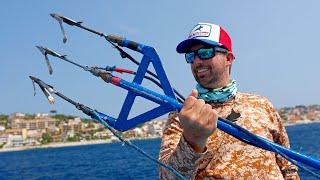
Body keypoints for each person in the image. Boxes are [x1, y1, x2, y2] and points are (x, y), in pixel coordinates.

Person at [159, 22, 299, 179]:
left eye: (205, 52)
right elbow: (168, 177)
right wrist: (192, 139)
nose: (197, 62)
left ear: (229, 58)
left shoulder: (262, 104)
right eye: (191, 56)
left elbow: (288, 165)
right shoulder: (183, 115)